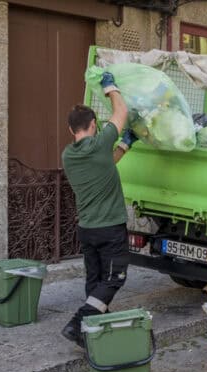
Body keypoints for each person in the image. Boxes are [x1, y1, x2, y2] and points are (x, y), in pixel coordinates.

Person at [60, 72, 137, 348]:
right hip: (110, 228)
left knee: (95, 281)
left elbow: (106, 163)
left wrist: (125, 145)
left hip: (87, 229)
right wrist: (110, 87)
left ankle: (93, 332)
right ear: (94, 124)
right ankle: (78, 323)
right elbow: (122, 110)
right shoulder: (101, 141)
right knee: (116, 277)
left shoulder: (68, 155)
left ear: (71, 130)